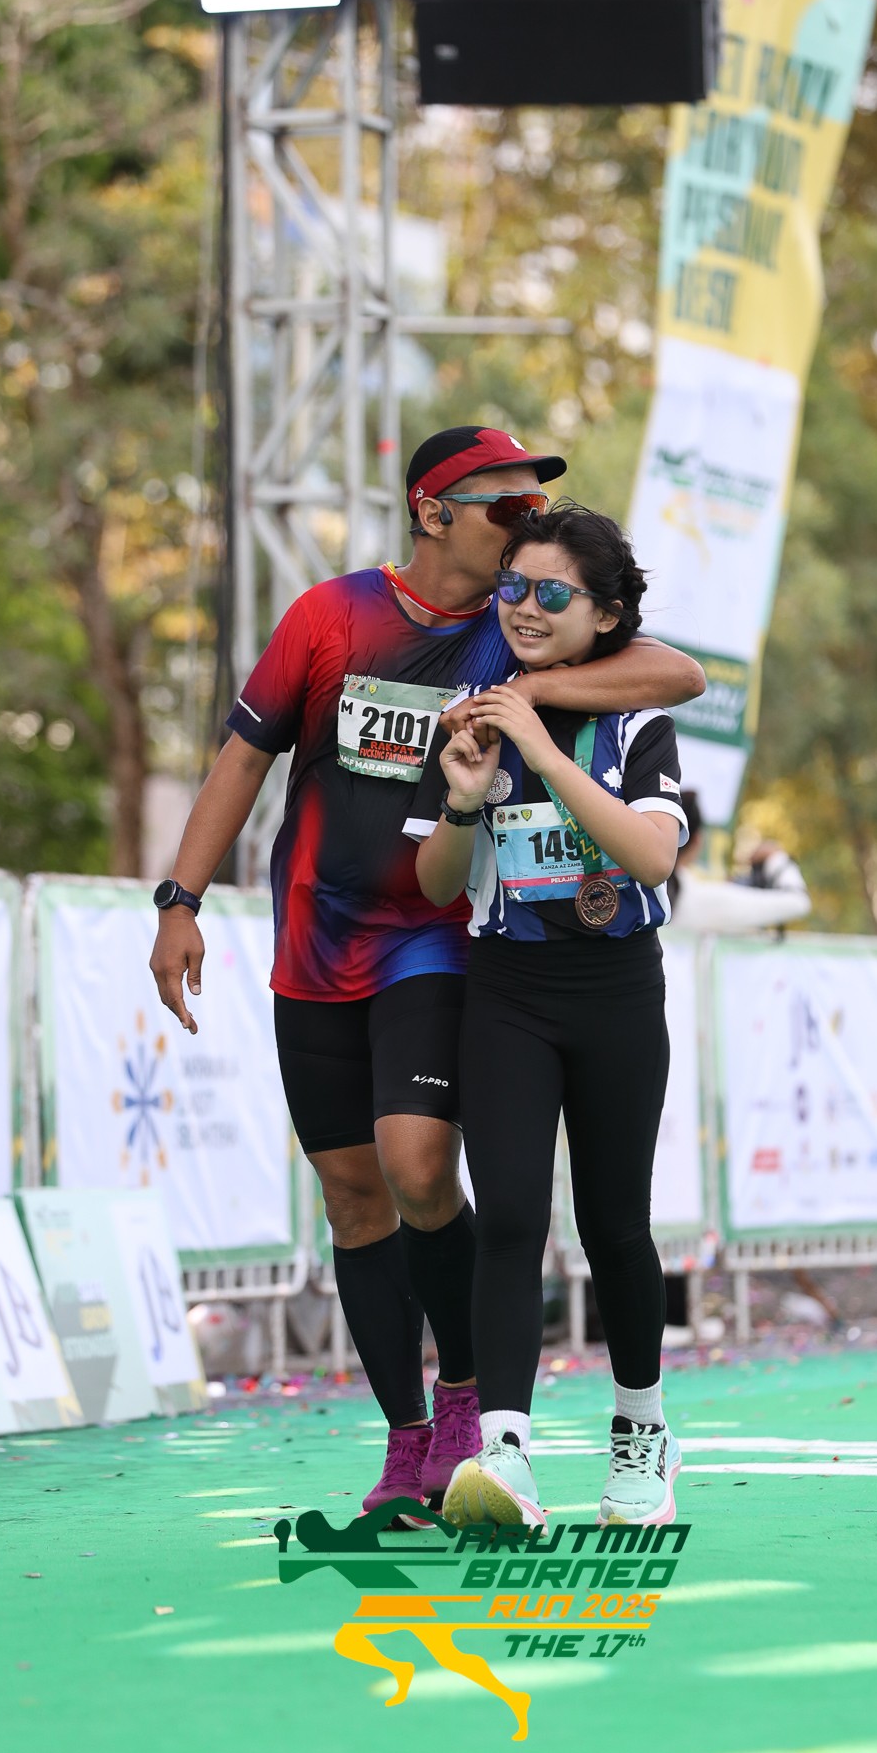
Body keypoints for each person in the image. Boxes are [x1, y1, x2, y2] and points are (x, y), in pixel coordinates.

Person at [149, 428, 705, 1517]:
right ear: (432, 511)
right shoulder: (331, 616)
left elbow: (673, 674)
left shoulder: (521, 632)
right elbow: (243, 756)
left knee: (418, 1169)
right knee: (353, 1199)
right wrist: (181, 898)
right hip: (315, 939)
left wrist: (530, 711)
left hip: (450, 944)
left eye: (535, 516)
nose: (524, 534)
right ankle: (409, 1441)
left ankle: (475, 1411)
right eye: (506, 509)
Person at [405, 501, 687, 1528]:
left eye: (551, 594)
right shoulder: (473, 718)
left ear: (605, 614)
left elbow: (650, 856)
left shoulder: (637, 718)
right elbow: (438, 881)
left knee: (614, 1224)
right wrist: (464, 798)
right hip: (507, 994)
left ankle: (642, 1439)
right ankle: (505, 1455)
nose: (523, 608)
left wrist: (542, 744)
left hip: (617, 994)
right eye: (512, 588)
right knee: (512, 1218)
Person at [666, 789, 810, 934]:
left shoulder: (667, 890)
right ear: (697, 840)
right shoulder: (697, 899)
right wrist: (776, 858)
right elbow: (798, 902)